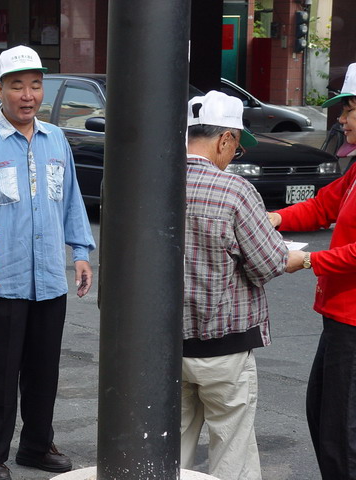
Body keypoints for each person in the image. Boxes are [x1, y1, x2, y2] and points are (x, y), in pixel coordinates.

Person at [0, 45, 96, 480]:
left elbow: (71, 201)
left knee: (43, 371)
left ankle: (36, 445)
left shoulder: (56, 140)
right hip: (1, 280)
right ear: (0, 89)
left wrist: (81, 253)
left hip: (49, 277)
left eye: (35, 85)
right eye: (17, 86)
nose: (28, 95)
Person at [181, 90, 293, 480]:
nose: (233, 156)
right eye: (237, 147)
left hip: (163, 347)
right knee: (232, 451)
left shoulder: (152, 182)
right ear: (225, 138)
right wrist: (295, 256)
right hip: (224, 347)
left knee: (167, 449)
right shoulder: (234, 190)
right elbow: (271, 262)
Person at [268, 62, 356, 479]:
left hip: (352, 321)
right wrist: (272, 218)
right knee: (323, 413)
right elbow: (324, 206)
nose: (341, 120)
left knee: (342, 430)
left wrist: (308, 260)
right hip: (339, 316)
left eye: (348, 110)